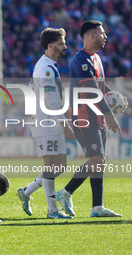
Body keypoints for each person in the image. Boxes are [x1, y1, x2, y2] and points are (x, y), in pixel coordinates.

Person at [56, 20, 128, 217]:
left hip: (95, 117)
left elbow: (102, 88)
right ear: (91, 36)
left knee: (99, 161)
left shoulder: (96, 58)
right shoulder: (81, 61)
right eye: (102, 33)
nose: (105, 36)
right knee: (96, 158)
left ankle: (96, 207)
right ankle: (65, 192)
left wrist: (118, 98)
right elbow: (91, 91)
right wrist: (110, 114)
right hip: (83, 117)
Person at [16, 28, 75, 219]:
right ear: (51, 46)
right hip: (46, 123)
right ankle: (52, 211)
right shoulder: (46, 68)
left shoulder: (48, 65)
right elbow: (51, 101)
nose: (64, 46)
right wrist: (65, 123)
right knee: (51, 166)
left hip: (51, 122)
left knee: (60, 166)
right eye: (61, 43)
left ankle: (26, 192)